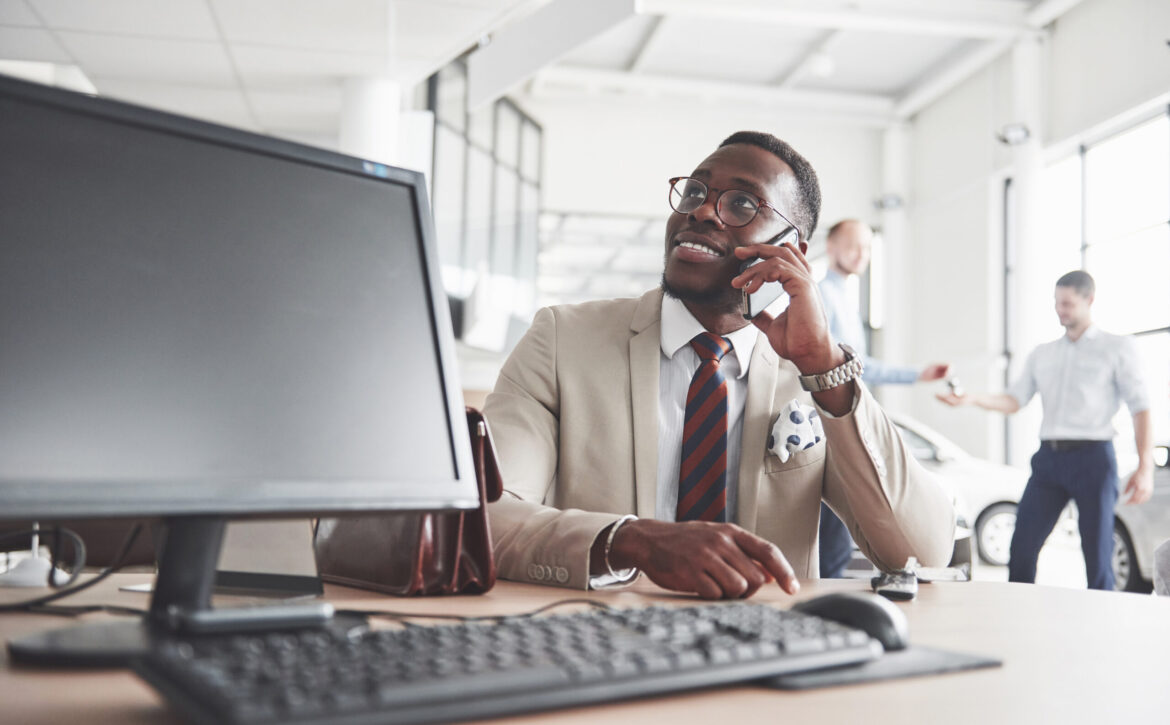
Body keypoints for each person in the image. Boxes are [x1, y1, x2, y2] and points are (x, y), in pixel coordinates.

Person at [483, 131, 955, 600]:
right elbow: (486, 515)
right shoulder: (563, 340)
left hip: (765, 652)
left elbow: (923, 553)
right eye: (694, 192)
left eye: (743, 204)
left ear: (793, 249)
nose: (702, 210)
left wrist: (825, 368)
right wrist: (631, 542)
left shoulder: (811, 375)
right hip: (596, 646)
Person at [937, 270, 1153, 590]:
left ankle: (1105, 625)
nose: (1060, 310)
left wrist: (1145, 466)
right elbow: (1014, 400)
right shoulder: (1043, 354)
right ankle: (1018, 617)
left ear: (1089, 300)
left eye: (1067, 303)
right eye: (1056, 303)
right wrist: (970, 398)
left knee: (1097, 554)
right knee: (1022, 546)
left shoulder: (1116, 348)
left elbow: (1141, 407)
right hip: (1049, 460)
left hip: (1094, 458)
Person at [816, 219, 950, 578]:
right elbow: (839, 367)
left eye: (867, 248)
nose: (862, 255)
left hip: (846, 420)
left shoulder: (846, 298)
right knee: (832, 542)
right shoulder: (821, 296)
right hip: (828, 424)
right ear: (831, 247)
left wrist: (916, 375)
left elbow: (858, 366)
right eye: (853, 246)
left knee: (839, 540)